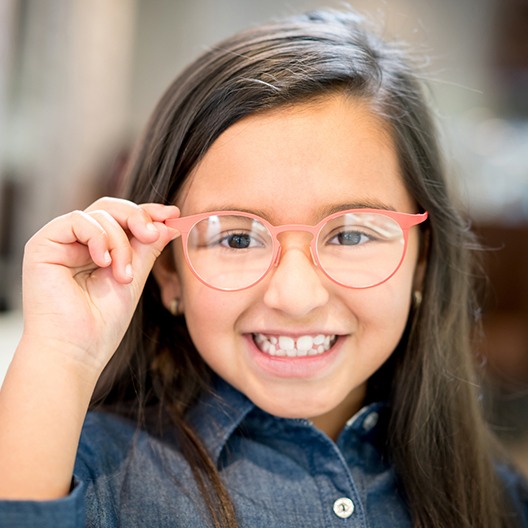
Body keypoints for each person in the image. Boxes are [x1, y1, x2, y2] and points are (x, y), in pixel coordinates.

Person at [0, 8, 526, 528]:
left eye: (350, 234)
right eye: (235, 238)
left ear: (423, 257)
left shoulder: (494, 496)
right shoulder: (91, 475)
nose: (295, 296)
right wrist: (61, 355)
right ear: (168, 273)